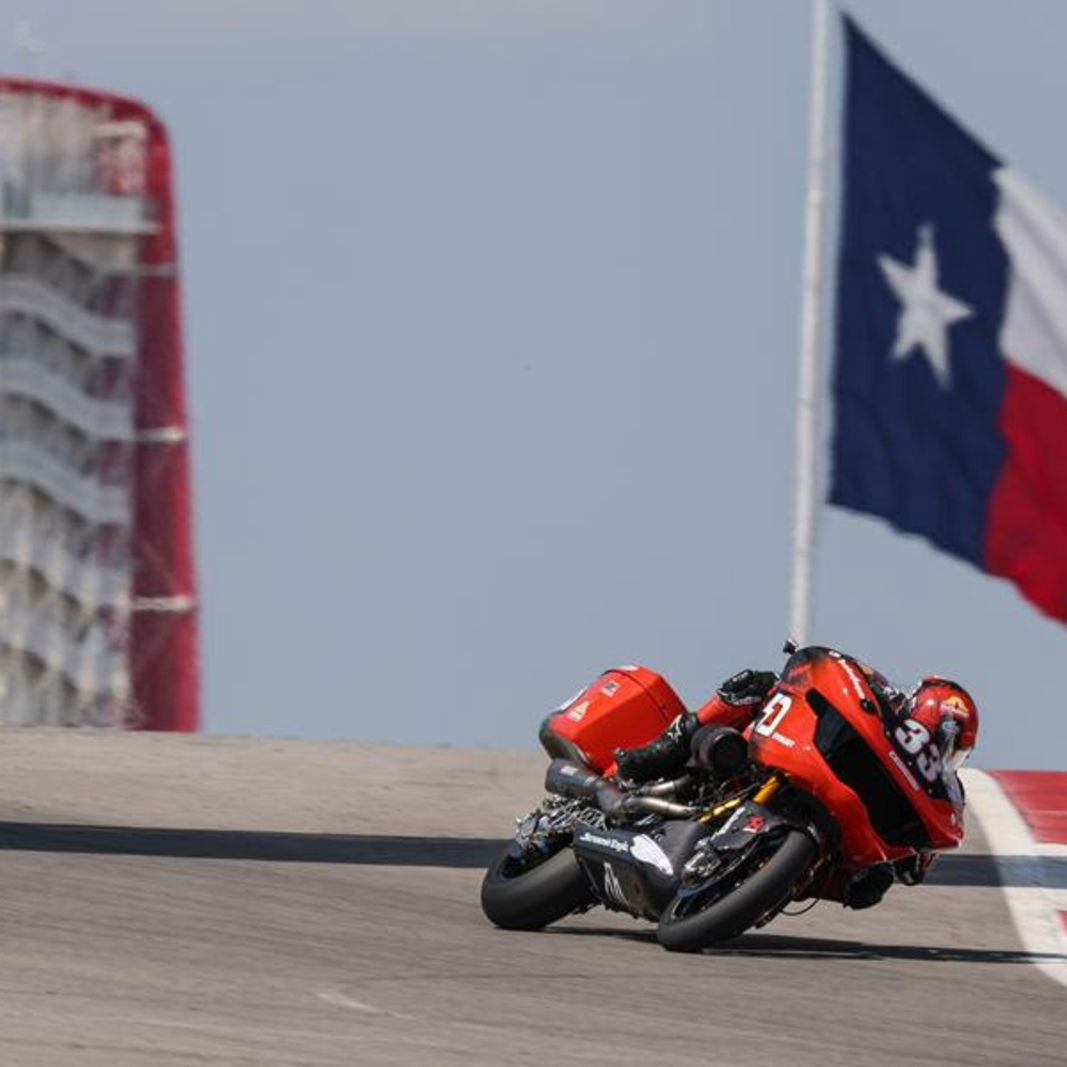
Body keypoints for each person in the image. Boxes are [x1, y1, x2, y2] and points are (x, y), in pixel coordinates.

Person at [611, 662, 979, 910]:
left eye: (953, 748)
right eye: (941, 736)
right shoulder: (883, 696)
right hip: (789, 755)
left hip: (839, 831)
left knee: (871, 885)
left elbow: (915, 869)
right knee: (754, 685)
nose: (940, 749)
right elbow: (831, 668)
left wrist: (908, 853)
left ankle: (763, 885)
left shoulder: (945, 793)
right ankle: (656, 754)